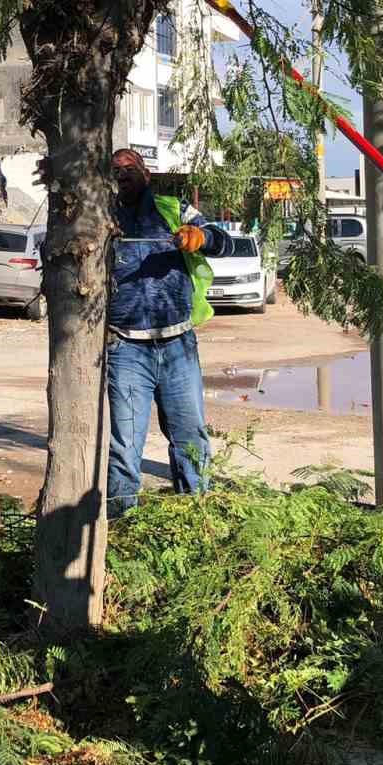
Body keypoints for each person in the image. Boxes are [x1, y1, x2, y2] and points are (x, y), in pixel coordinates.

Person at [105, 148, 232, 513]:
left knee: (190, 438)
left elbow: (222, 241)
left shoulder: (174, 209)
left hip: (178, 346)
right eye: (116, 170)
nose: (123, 174)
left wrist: (200, 238)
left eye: (131, 167)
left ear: (146, 172)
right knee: (126, 446)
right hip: (126, 349)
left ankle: (195, 516)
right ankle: (121, 520)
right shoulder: (102, 217)